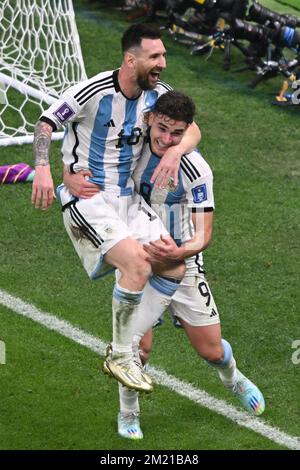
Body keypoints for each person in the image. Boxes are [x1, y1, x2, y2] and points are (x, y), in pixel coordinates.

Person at [63, 90, 265, 440]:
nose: (167, 139)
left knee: (212, 350)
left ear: (185, 132)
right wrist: (65, 176)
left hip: (182, 260)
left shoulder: (195, 169)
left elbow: (204, 235)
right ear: (149, 121)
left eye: (176, 134)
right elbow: (91, 160)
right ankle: (128, 413)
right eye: (163, 130)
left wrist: (178, 253)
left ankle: (233, 378)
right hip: (140, 255)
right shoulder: (132, 148)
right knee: (137, 346)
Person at [31, 24, 201, 393]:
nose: (163, 64)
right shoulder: (92, 91)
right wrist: (44, 168)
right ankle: (123, 354)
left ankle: (127, 341)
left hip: (130, 201)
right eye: (155, 57)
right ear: (131, 59)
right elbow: (46, 124)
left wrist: (174, 150)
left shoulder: (158, 94)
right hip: (88, 198)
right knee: (137, 264)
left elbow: (193, 130)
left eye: (164, 56)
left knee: (173, 264)